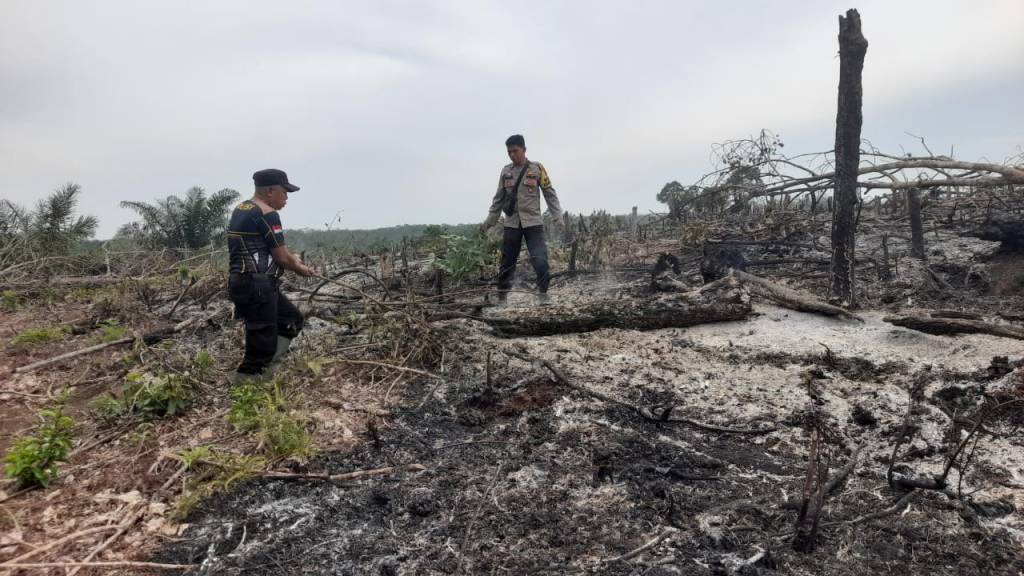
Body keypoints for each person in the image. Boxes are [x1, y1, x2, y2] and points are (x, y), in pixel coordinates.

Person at [226, 168, 314, 380]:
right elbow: (281, 258)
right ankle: (246, 385)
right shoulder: (268, 214)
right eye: (285, 193)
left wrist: (293, 259)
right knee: (261, 344)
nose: (286, 199)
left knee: (291, 320)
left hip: (246, 283)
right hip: (257, 286)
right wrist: (301, 269)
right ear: (271, 191)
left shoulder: (242, 208)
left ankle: (267, 373)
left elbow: (271, 248)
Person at [481, 134, 563, 303]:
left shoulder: (537, 169)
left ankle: (543, 294)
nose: (512, 154)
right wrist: (489, 222)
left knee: (540, 259)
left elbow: (550, 193)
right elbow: (498, 199)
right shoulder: (506, 172)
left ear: (524, 150)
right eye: (509, 152)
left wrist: (558, 217)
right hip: (512, 223)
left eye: (515, 151)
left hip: (533, 222)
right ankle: (502, 296)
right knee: (507, 261)